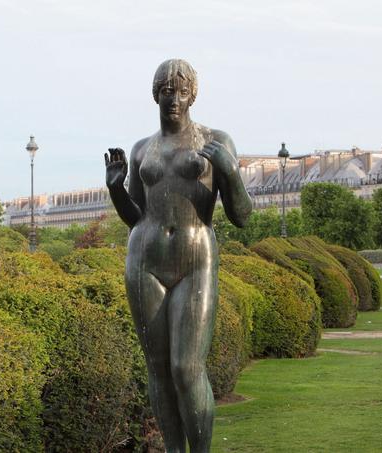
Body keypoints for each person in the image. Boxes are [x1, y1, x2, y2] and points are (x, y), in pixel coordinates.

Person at [104, 59, 252, 452]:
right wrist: (116, 189)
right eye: (167, 91)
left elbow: (242, 216)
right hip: (145, 261)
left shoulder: (215, 141)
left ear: (192, 97)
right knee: (158, 369)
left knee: (186, 368)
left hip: (195, 261)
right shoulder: (142, 149)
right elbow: (135, 216)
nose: (174, 99)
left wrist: (231, 173)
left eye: (182, 92)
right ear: (156, 95)